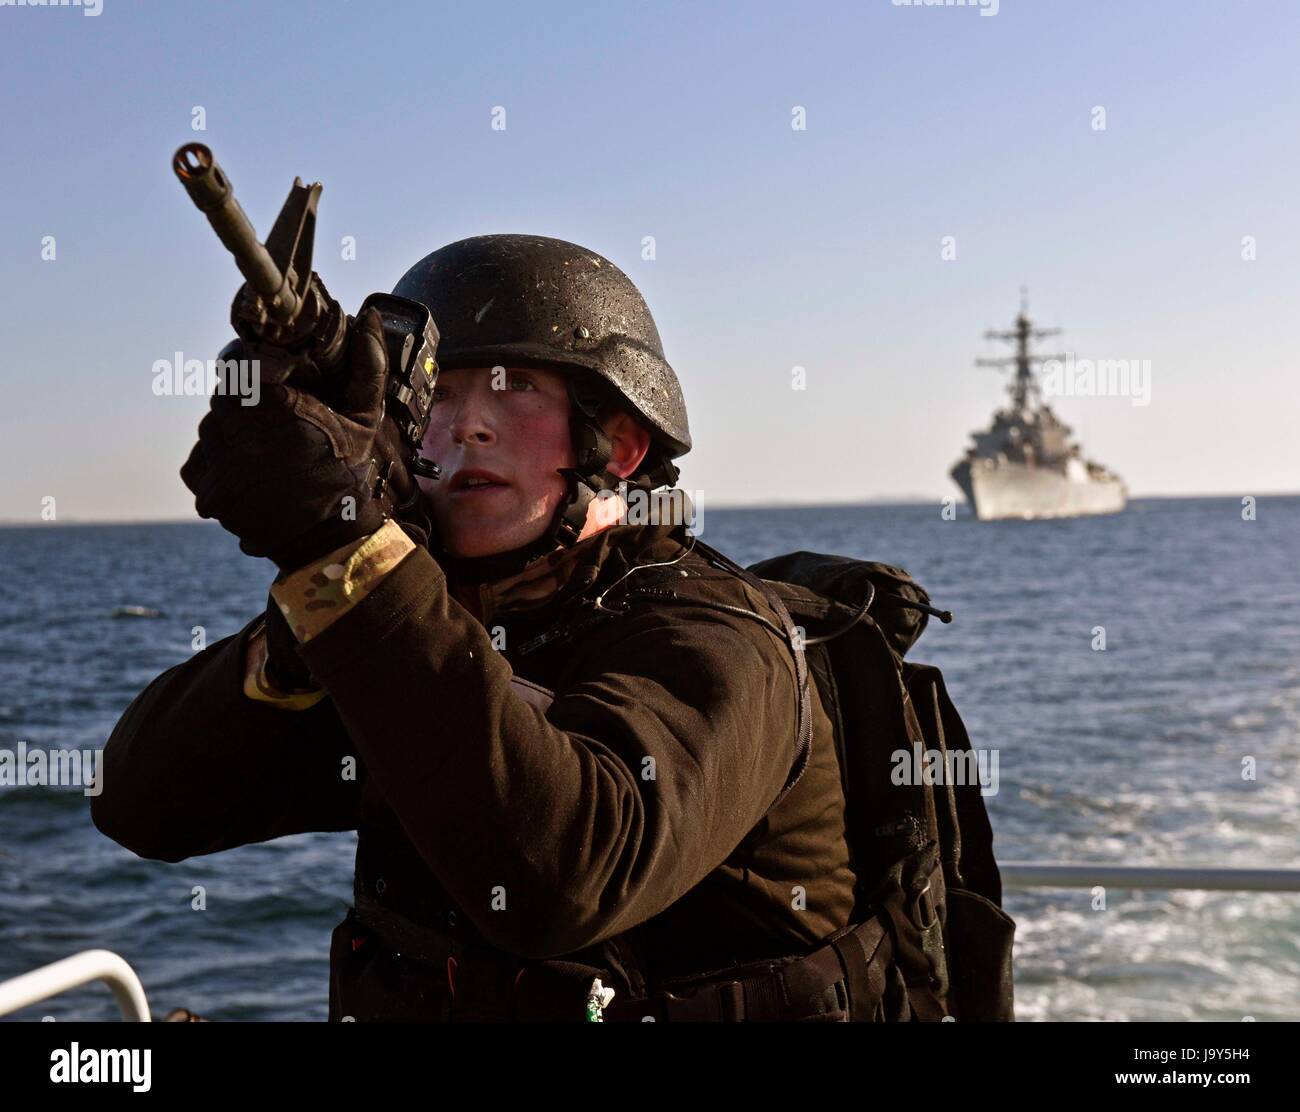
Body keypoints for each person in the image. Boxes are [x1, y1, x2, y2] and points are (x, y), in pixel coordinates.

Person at [93, 234, 863, 1021]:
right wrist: (299, 639)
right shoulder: (416, 619)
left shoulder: (723, 636)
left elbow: (564, 879)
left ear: (622, 445)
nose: (467, 427)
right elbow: (141, 807)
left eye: (515, 387)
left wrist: (349, 558)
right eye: (438, 397)